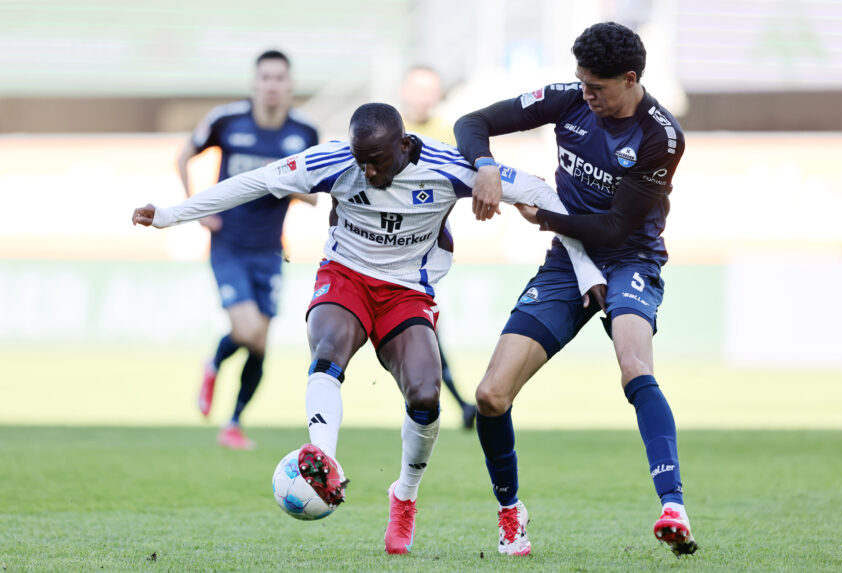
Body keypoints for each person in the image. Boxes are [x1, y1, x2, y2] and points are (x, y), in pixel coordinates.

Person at [133, 102, 605, 555]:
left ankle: (404, 496)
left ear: (403, 144)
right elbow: (255, 181)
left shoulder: (448, 167)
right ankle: (323, 461)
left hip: (407, 293)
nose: (370, 174)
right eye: (362, 163)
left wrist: (586, 272)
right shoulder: (336, 160)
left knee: (425, 394)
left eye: (378, 162)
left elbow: (542, 192)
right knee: (330, 347)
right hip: (346, 277)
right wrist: (172, 215)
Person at [454, 22, 696, 557]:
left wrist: (542, 217)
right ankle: (510, 513)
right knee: (491, 395)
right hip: (567, 261)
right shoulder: (569, 100)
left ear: (630, 79)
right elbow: (472, 121)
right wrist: (486, 164)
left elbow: (614, 227)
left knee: (635, 366)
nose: (586, 95)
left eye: (597, 88)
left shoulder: (660, 136)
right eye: (581, 83)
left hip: (630, 257)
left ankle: (673, 505)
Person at [176, 49, 319, 450]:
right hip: (229, 245)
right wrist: (196, 209)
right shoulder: (227, 120)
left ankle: (234, 422)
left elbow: (313, 191)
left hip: (270, 249)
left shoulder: (304, 133)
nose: (272, 85)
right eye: (265, 78)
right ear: (255, 83)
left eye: (279, 79)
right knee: (247, 330)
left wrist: (284, 185)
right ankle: (214, 363)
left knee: (259, 343)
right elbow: (184, 156)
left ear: (289, 86)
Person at [399, 64, 478, 429]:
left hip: (423, 251)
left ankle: (441, 403)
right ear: (404, 91)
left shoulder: (448, 133)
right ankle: (453, 402)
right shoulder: (387, 128)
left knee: (423, 331)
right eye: (417, 88)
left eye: (430, 89)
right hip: (381, 247)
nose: (423, 97)